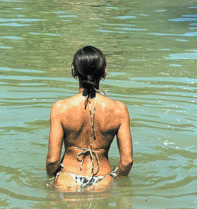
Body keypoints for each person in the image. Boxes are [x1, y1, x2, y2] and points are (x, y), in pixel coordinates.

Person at [47, 45, 133, 191]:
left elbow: (53, 160)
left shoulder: (60, 108)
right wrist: (112, 181)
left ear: (73, 71)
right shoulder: (119, 110)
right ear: (104, 73)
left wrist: (55, 179)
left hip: (67, 179)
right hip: (102, 182)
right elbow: (127, 161)